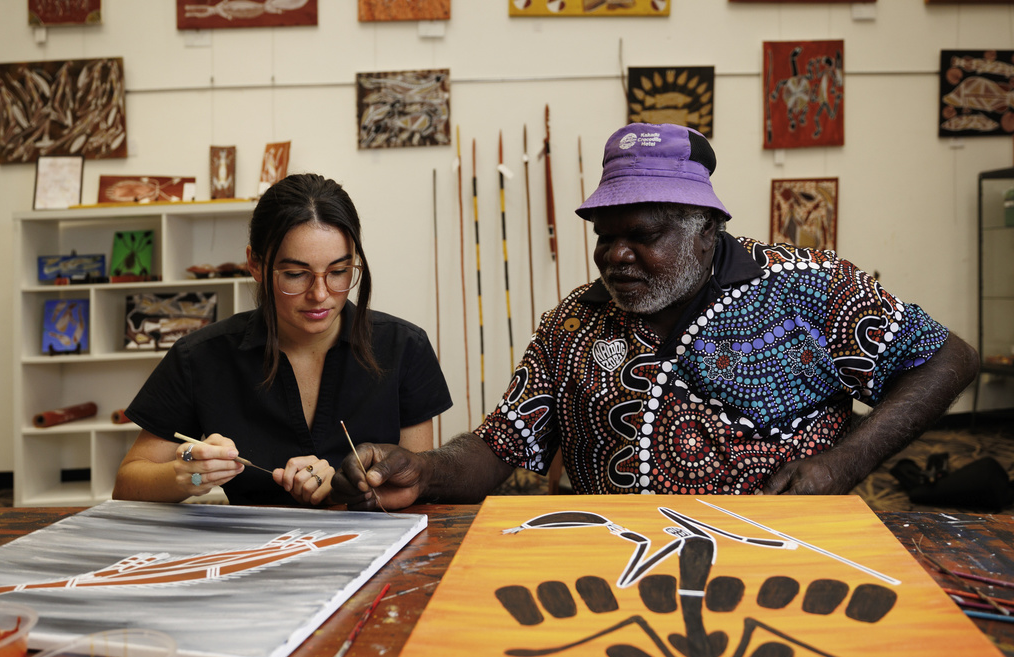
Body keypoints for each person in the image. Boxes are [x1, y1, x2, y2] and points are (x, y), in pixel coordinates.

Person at [331, 123, 979, 509]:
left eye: (640, 234)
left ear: (706, 230)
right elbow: (498, 447)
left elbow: (948, 358)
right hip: (613, 579)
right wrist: (424, 469)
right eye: (604, 236)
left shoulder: (808, 287)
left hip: (792, 568)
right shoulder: (572, 325)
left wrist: (845, 463)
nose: (615, 256)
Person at [113, 173, 452, 507]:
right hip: (250, 555)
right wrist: (183, 475)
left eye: (338, 272)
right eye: (295, 274)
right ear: (255, 264)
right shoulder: (201, 357)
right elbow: (128, 483)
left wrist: (341, 491)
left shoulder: (405, 348)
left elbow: (418, 488)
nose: (320, 295)